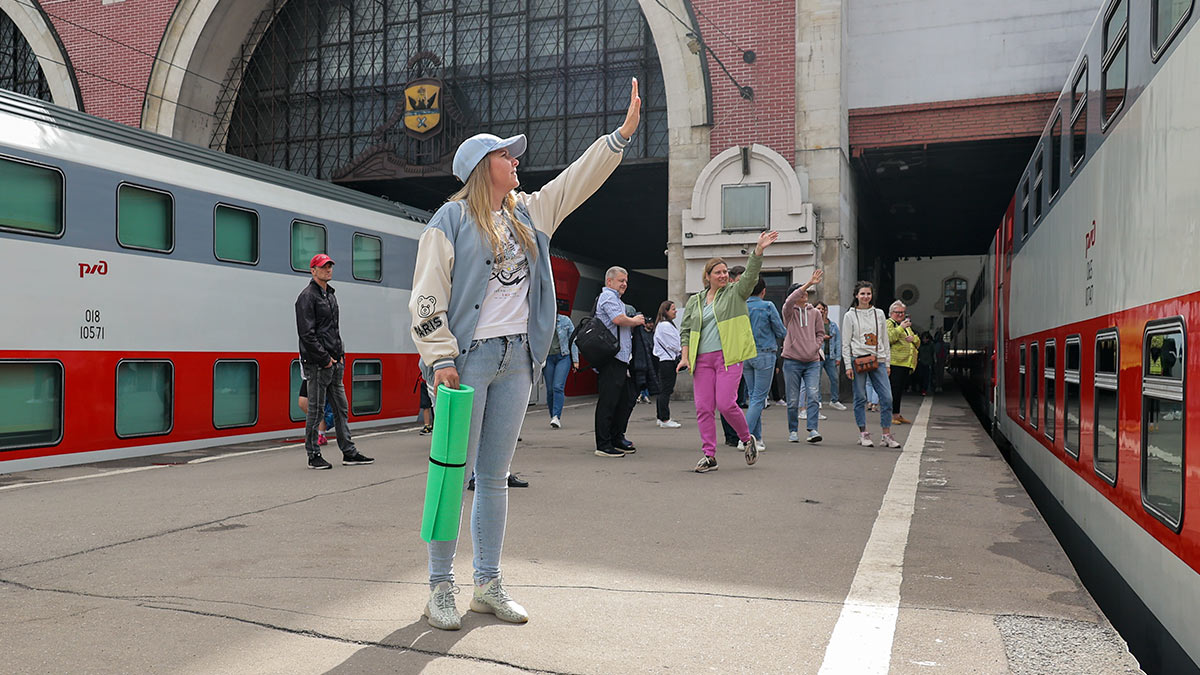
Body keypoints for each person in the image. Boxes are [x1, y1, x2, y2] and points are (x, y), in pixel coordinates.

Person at [408, 78, 642, 630]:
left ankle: (487, 582)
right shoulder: (449, 222)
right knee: (450, 473)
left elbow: (576, 182)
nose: (517, 161)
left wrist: (621, 136)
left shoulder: (529, 214)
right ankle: (439, 587)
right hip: (466, 363)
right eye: (506, 155)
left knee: (494, 476)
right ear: (482, 167)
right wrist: (440, 358)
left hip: (517, 360)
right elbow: (426, 296)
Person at [677, 230, 780, 473]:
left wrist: (758, 251)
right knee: (703, 408)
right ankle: (709, 455)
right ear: (708, 276)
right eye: (719, 272)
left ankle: (747, 438)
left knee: (725, 404)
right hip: (701, 360)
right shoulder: (696, 301)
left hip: (727, 356)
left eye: (725, 272)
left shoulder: (736, 292)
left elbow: (750, 276)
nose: (724, 275)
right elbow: (686, 329)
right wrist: (684, 356)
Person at [295, 253, 374, 470]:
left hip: (334, 362)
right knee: (315, 411)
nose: (328, 269)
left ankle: (349, 452)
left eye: (330, 266)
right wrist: (326, 360)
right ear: (313, 270)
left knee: (341, 409)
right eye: (323, 267)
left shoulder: (330, 295)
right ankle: (313, 455)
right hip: (318, 364)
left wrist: (340, 356)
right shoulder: (307, 297)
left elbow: (333, 331)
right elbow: (306, 335)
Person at [842, 281, 901, 448]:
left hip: (878, 359)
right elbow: (845, 342)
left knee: (887, 397)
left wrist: (887, 362)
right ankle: (863, 433)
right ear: (856, 295)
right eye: (862, 294)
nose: (865, 297)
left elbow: (884, 340)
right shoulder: (850, 315)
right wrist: (847, 365)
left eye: (868, 294)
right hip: (857, 359)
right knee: (860, 397)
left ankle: (886, 435)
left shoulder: (879, 313)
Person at [593, 267, 643, 457]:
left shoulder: (616, 299)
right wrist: (636, 320)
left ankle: (616, 437)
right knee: (608, 401)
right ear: (609, 282)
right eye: (621, 280)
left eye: (626, 281)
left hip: (621, 359)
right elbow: (618, 319)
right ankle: (603, 444)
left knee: (623, 400)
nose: (624, 284)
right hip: (611, 358)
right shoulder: (608, 297)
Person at [781, 271, 826, 443]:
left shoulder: (814, 312)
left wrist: (815, 346)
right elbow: (788, 301)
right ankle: (793, 430)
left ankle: (813, 429)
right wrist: (808, 283)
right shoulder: (789, 312)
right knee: (792, 400)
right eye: (802, 292)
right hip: (792, 361)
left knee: (813, 396)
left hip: (812, 362)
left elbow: (820, 333)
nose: (805, 294)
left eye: (807, 292)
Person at [743, 278, 786, 446]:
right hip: (764, 353)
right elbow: (780, 330)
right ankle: (745, 436)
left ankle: (757, 439)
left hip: (746, 354)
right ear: (763, 291)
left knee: (754, 397)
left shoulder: (742, 306)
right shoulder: (767, 306)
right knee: (759, 399)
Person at [720, 266, 750, 445]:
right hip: (726, 355)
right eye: (740, 280)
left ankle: (736, 435)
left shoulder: (742, 300)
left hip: (739, 353)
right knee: (729, 400)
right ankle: (732, 436)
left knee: (736, 398)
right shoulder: (726, 300)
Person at [544, 308, 580, 428]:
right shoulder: (542, 321)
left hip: (563, 357)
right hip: (548, 358)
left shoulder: (565, 321)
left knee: (557, 386)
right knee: (549, 390)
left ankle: (556, 417)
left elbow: (573, 340)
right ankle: (552, 415)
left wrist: (575, 360)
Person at [887, 301, 920, 425]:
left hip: (906, 363)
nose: (901, 315)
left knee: (899, 390)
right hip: (895, 362)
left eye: (903, 312)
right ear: (891, 313)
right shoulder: (889, 323)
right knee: (893, 390)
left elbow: (917, 342)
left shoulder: (906, 326)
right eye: (898, 312)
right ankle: (891, 415)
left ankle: (897, 414)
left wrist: (914, 339)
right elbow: (888, 338)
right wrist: (901, 327)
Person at [652, 300, 682, 428]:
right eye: (673, 309)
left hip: (665, 360)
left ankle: (661, 417)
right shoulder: (665, 325)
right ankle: (665, 419)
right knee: (666, 390)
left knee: (663, 390)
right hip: (668, 361)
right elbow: (675, 344)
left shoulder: (663, 325)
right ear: (666, 311)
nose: (675, 311)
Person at [815, 301, 847, 411]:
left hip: (831, 356)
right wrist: (822, 337)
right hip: (817, 355)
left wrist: (838, 357)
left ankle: (834, 400)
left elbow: (838, 341)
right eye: (818, 308)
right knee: (816, 379)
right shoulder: (812, 324)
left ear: (825, 310)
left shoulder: (832, 325)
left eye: (822, 309)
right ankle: (818, 401)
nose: (820, 311)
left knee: (834, 378)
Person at [297, 372, 335, 445]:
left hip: (316, 376)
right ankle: (317, 429)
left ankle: (321, 435)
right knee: (302, 403)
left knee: (316, 406)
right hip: (307, 377)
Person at [916, 331, 935, 396]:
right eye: (923, 338)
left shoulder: (931, 345)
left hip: (928, 363)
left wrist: (933, 361)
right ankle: (921, 388)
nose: (924, 340)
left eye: (926, 339)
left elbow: (933, 353)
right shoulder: (920, 345)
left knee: (927, 377)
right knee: (920, 376)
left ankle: (924, 390)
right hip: (921, 362)